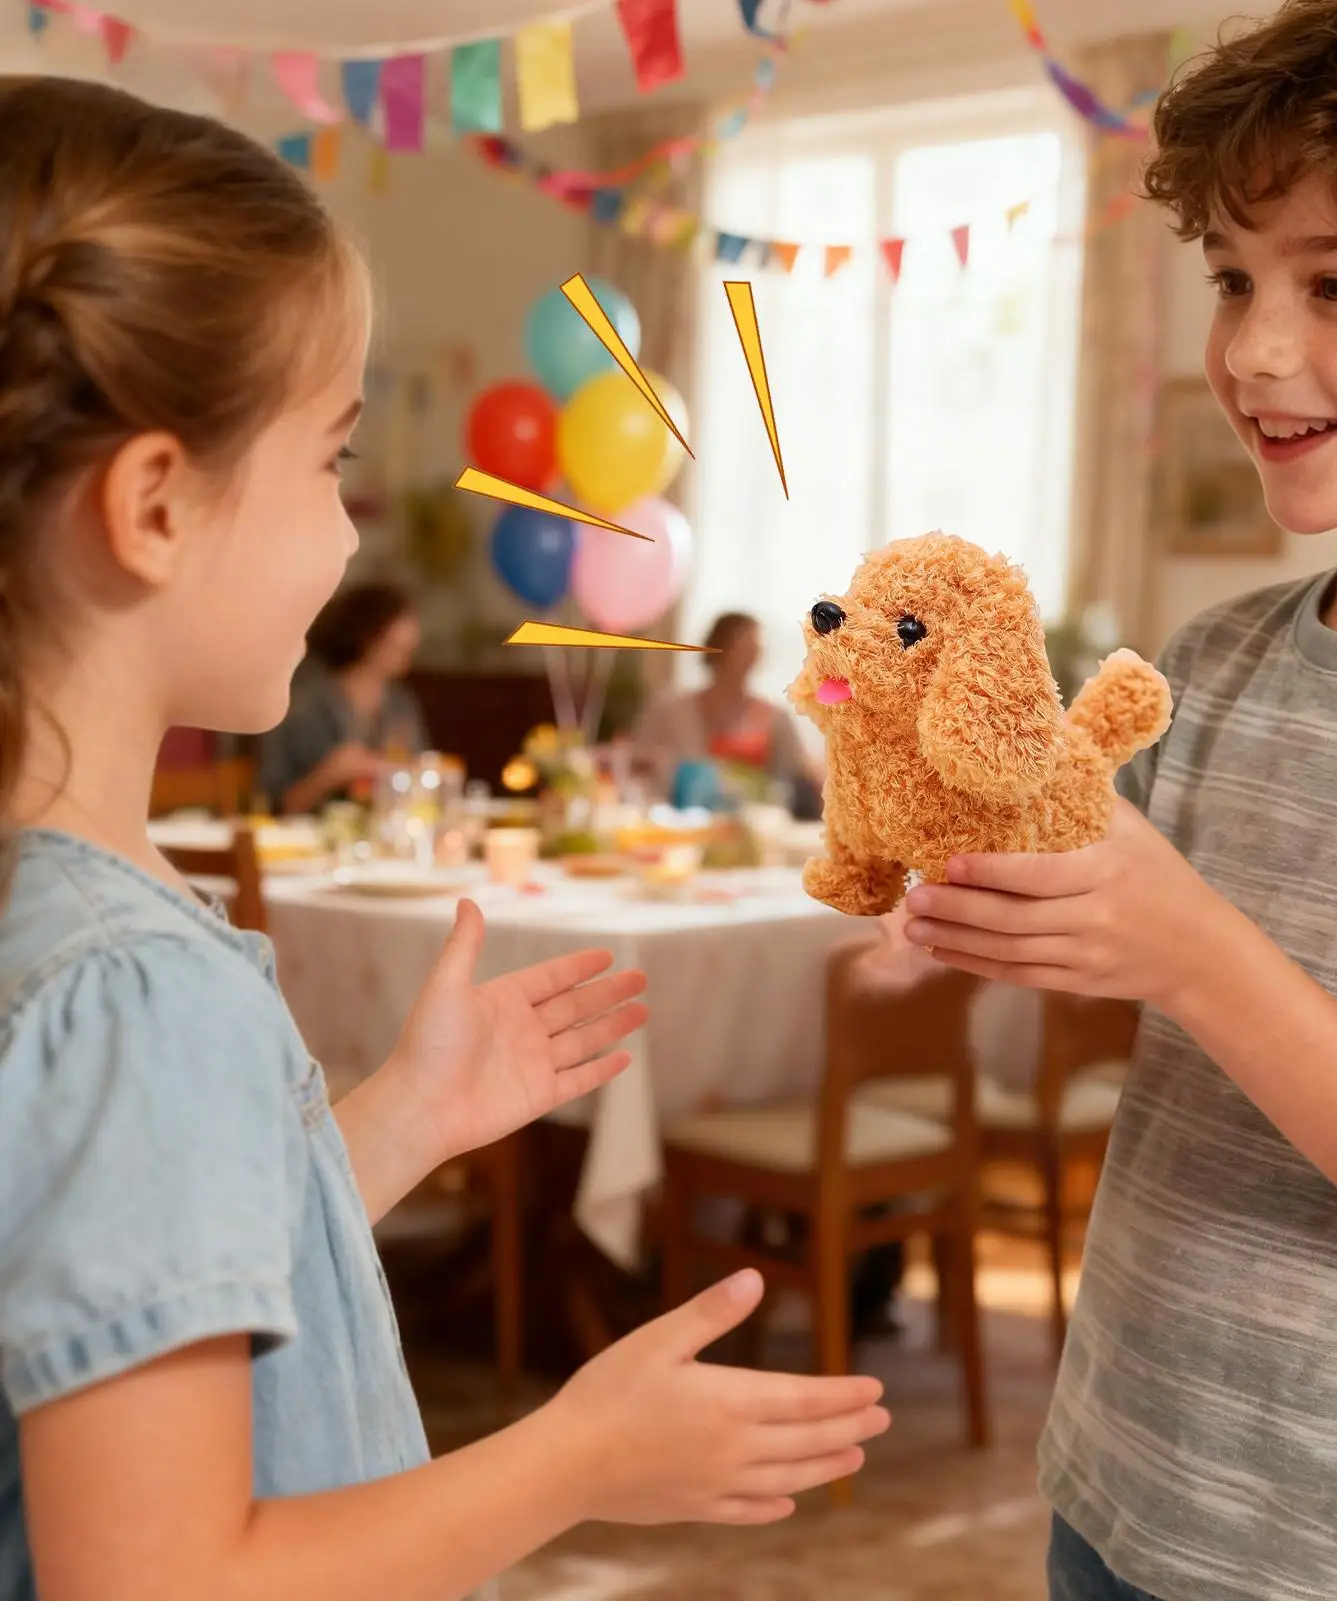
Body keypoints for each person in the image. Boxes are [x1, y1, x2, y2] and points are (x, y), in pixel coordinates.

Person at [0, 77, 890, 1601]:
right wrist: (577, 1456)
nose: (351, 533)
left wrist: (400, 1120)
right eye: (328, 460)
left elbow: (106, 1280)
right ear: (154, 504)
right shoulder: (134, 990)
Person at [899, 3, 1337, 1598]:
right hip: (1130, 1481)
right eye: (1233, 277)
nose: (1250, 347)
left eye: (1335, 283)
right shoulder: (1212, 664)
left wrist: (1192, 947)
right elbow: (1123, 974)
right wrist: (965, 885)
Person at [256, 581, 429, 814]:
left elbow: (420, 776)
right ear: (367, 636)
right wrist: (328, 775)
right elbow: (273, 806)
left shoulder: (401, 704)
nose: (411, 636)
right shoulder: (301, 705)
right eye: (395, 637)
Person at [630, 612, 821, 812]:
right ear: (718, 649)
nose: (750, 656)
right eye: (742, 647)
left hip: (752, 828)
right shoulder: (670, 710)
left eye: (755, 649)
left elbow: (799, 774)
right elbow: (638, 762)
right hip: (678, 824)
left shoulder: (776, 717)